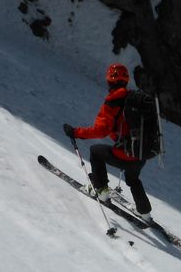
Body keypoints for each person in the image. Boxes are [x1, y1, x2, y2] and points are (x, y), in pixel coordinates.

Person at [63, 63, 153, 221]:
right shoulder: (136, 100)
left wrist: (76, 132)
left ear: (109, 80)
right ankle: (144, 212)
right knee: (133, 179)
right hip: (142, 153)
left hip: (125, 153)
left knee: (95, 151)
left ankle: (101, 190)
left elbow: (101, 130)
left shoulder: (113, 101)